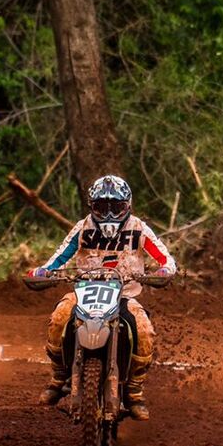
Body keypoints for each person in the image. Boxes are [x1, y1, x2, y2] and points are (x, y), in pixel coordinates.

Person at [28, 175, 176, 420]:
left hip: (124, 295)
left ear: (127, 205)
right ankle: (57, 378)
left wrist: (164, 271)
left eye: (115, 207)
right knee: (59, 317)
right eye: (101, 207)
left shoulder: (138, 228)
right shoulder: (83, 227)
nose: (108, 214)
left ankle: (134, 391)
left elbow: (165, 258)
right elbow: (58, 258)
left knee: (144, 330)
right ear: (91, 207)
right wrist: (43, 271)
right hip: (84, 291)